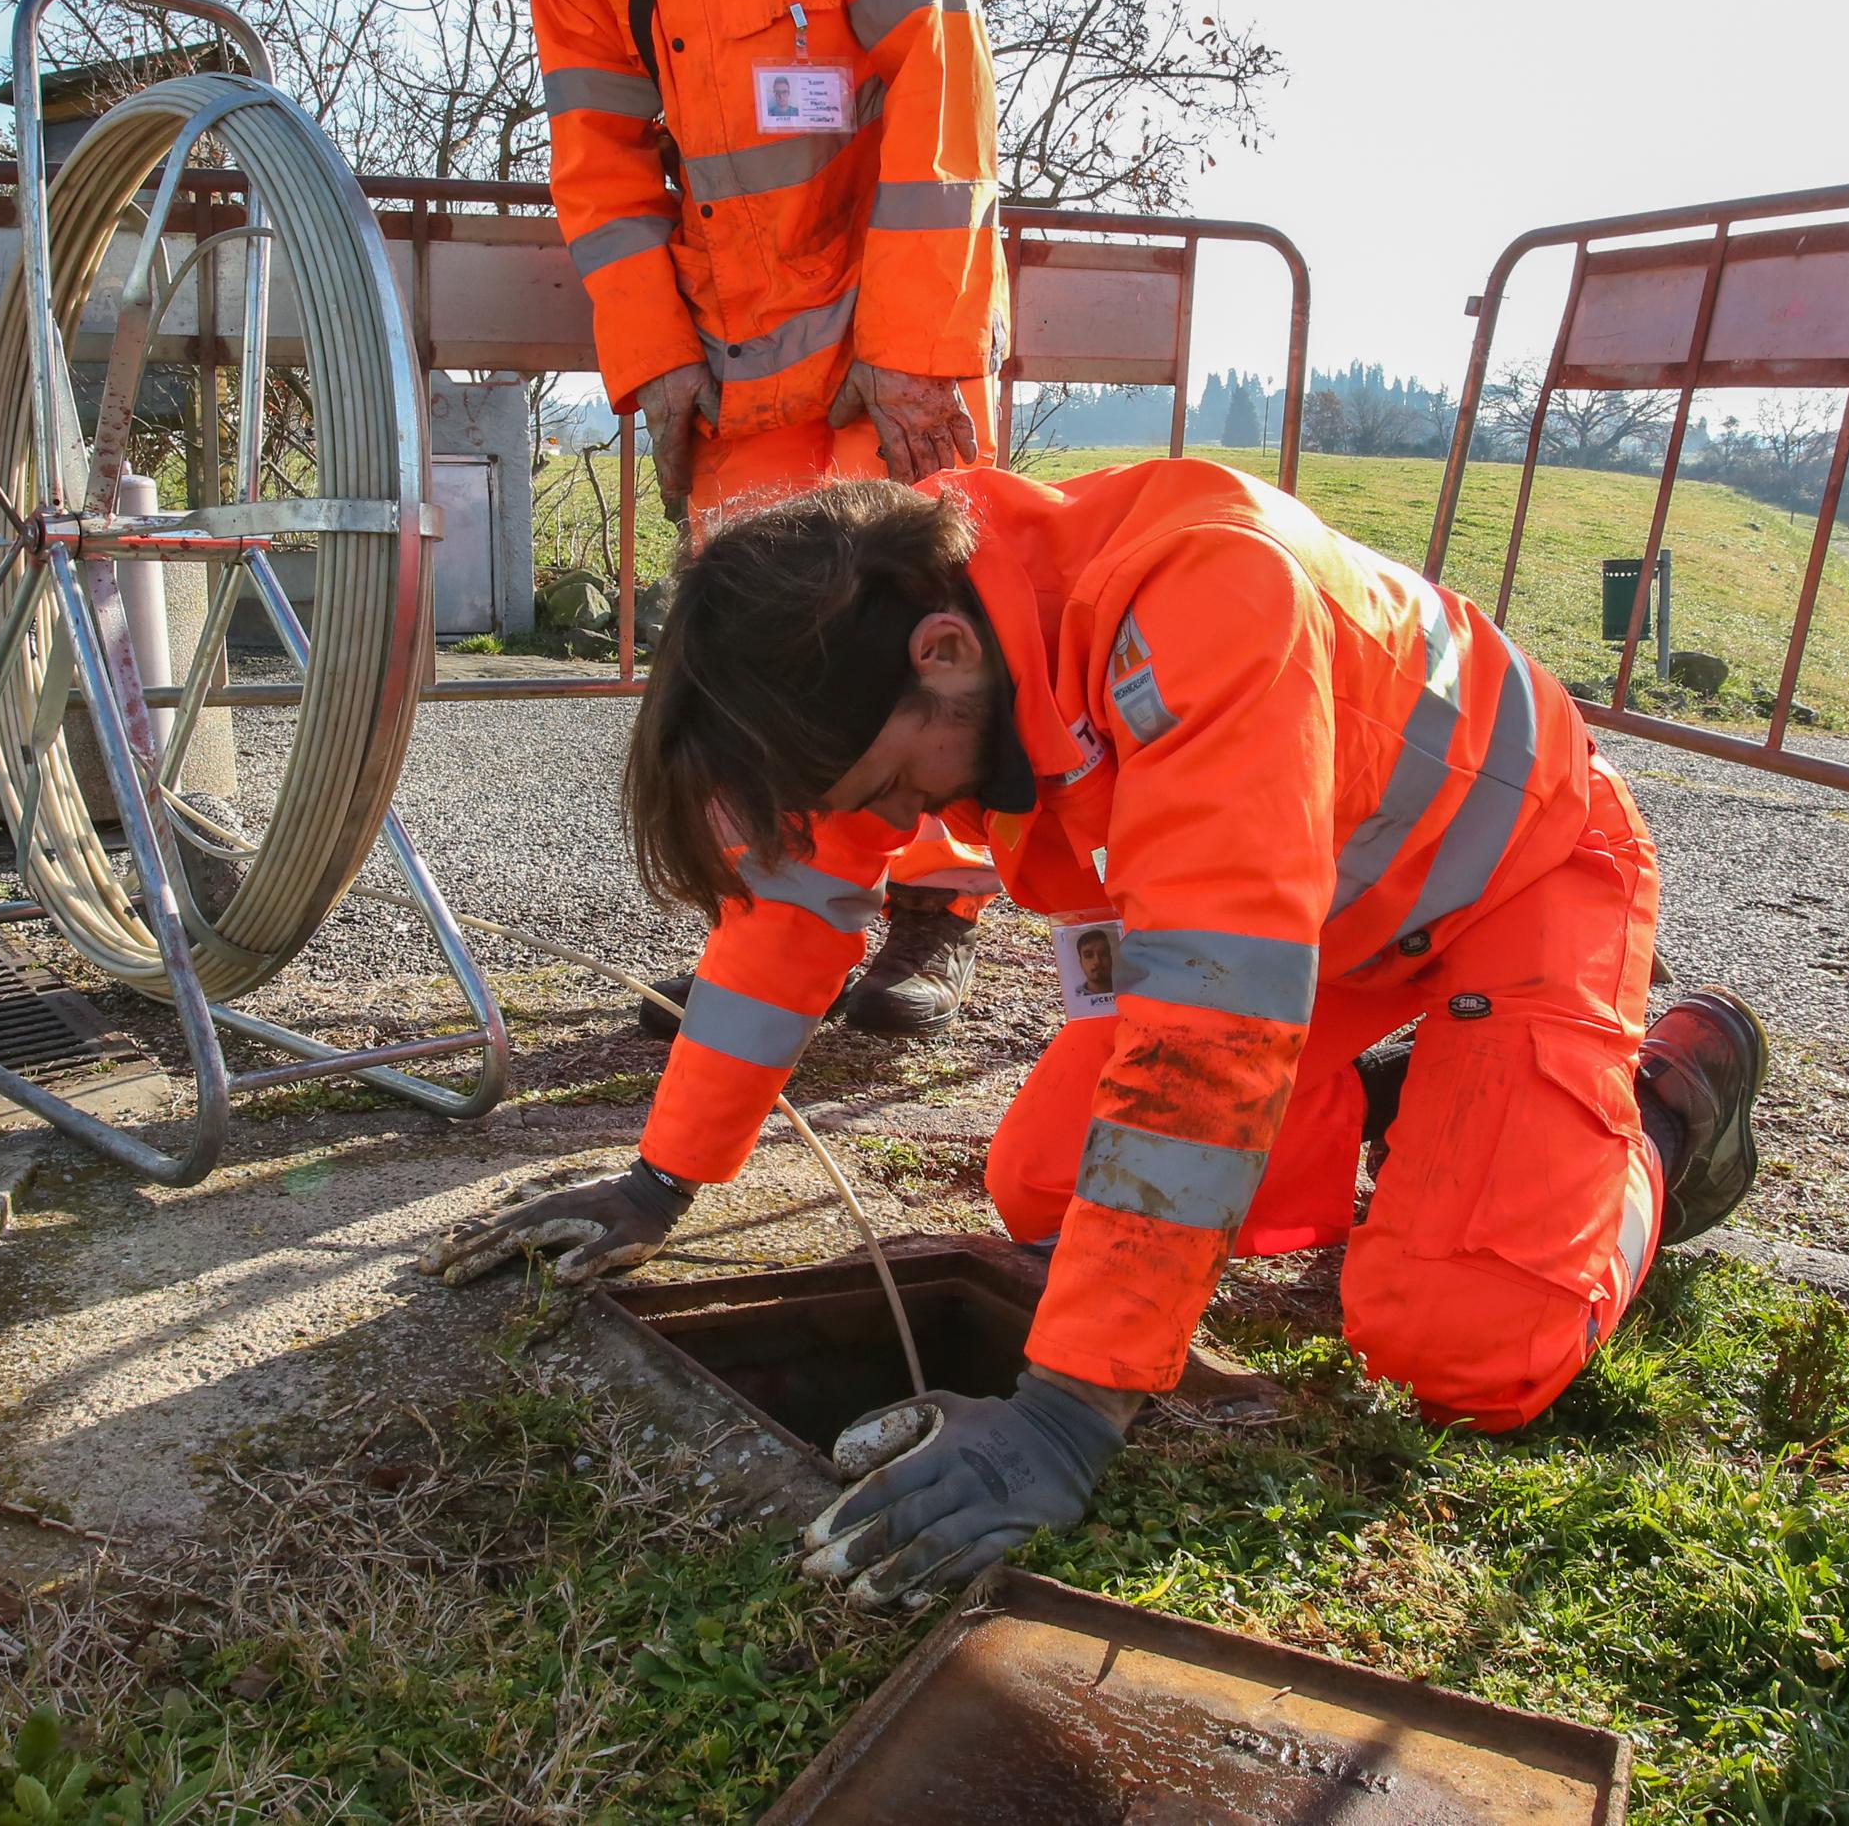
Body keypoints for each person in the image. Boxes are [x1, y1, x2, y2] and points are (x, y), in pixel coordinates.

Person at [423, 456, 1770, 1605]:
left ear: (942, 659)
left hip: (1519, 885)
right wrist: (661, 1180)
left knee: (1462, 1342)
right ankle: (1428, 1100)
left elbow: (1212, 1027)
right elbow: (791, 915)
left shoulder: (1211, 600)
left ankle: (1661, 1108)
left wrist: (1068, 1416)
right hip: (1312, 929)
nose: (890, 833)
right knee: (1044, 1185)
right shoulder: (878, 618)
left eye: (894, 791)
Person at [467, 0, 1007, 1034]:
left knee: (924, 629)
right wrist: (651, 363)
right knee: (756, 664)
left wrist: (912, 344)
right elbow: (601, 158)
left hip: (890, 337)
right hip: (738, 356)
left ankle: (928, 926)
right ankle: (771, 943)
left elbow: (937, 75)